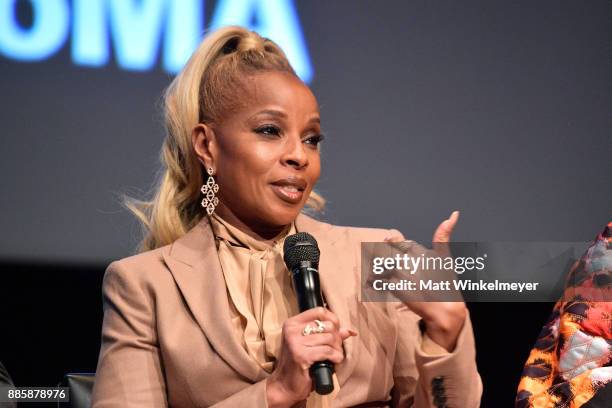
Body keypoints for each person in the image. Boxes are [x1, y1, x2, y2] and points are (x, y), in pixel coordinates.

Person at [91, 26, 482, 407]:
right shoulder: (146, 285)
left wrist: (446, 334)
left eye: (311, 139)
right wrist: (274, 392)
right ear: (207, 146)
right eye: (269, 130)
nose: (300, 155)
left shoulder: (374, 257)